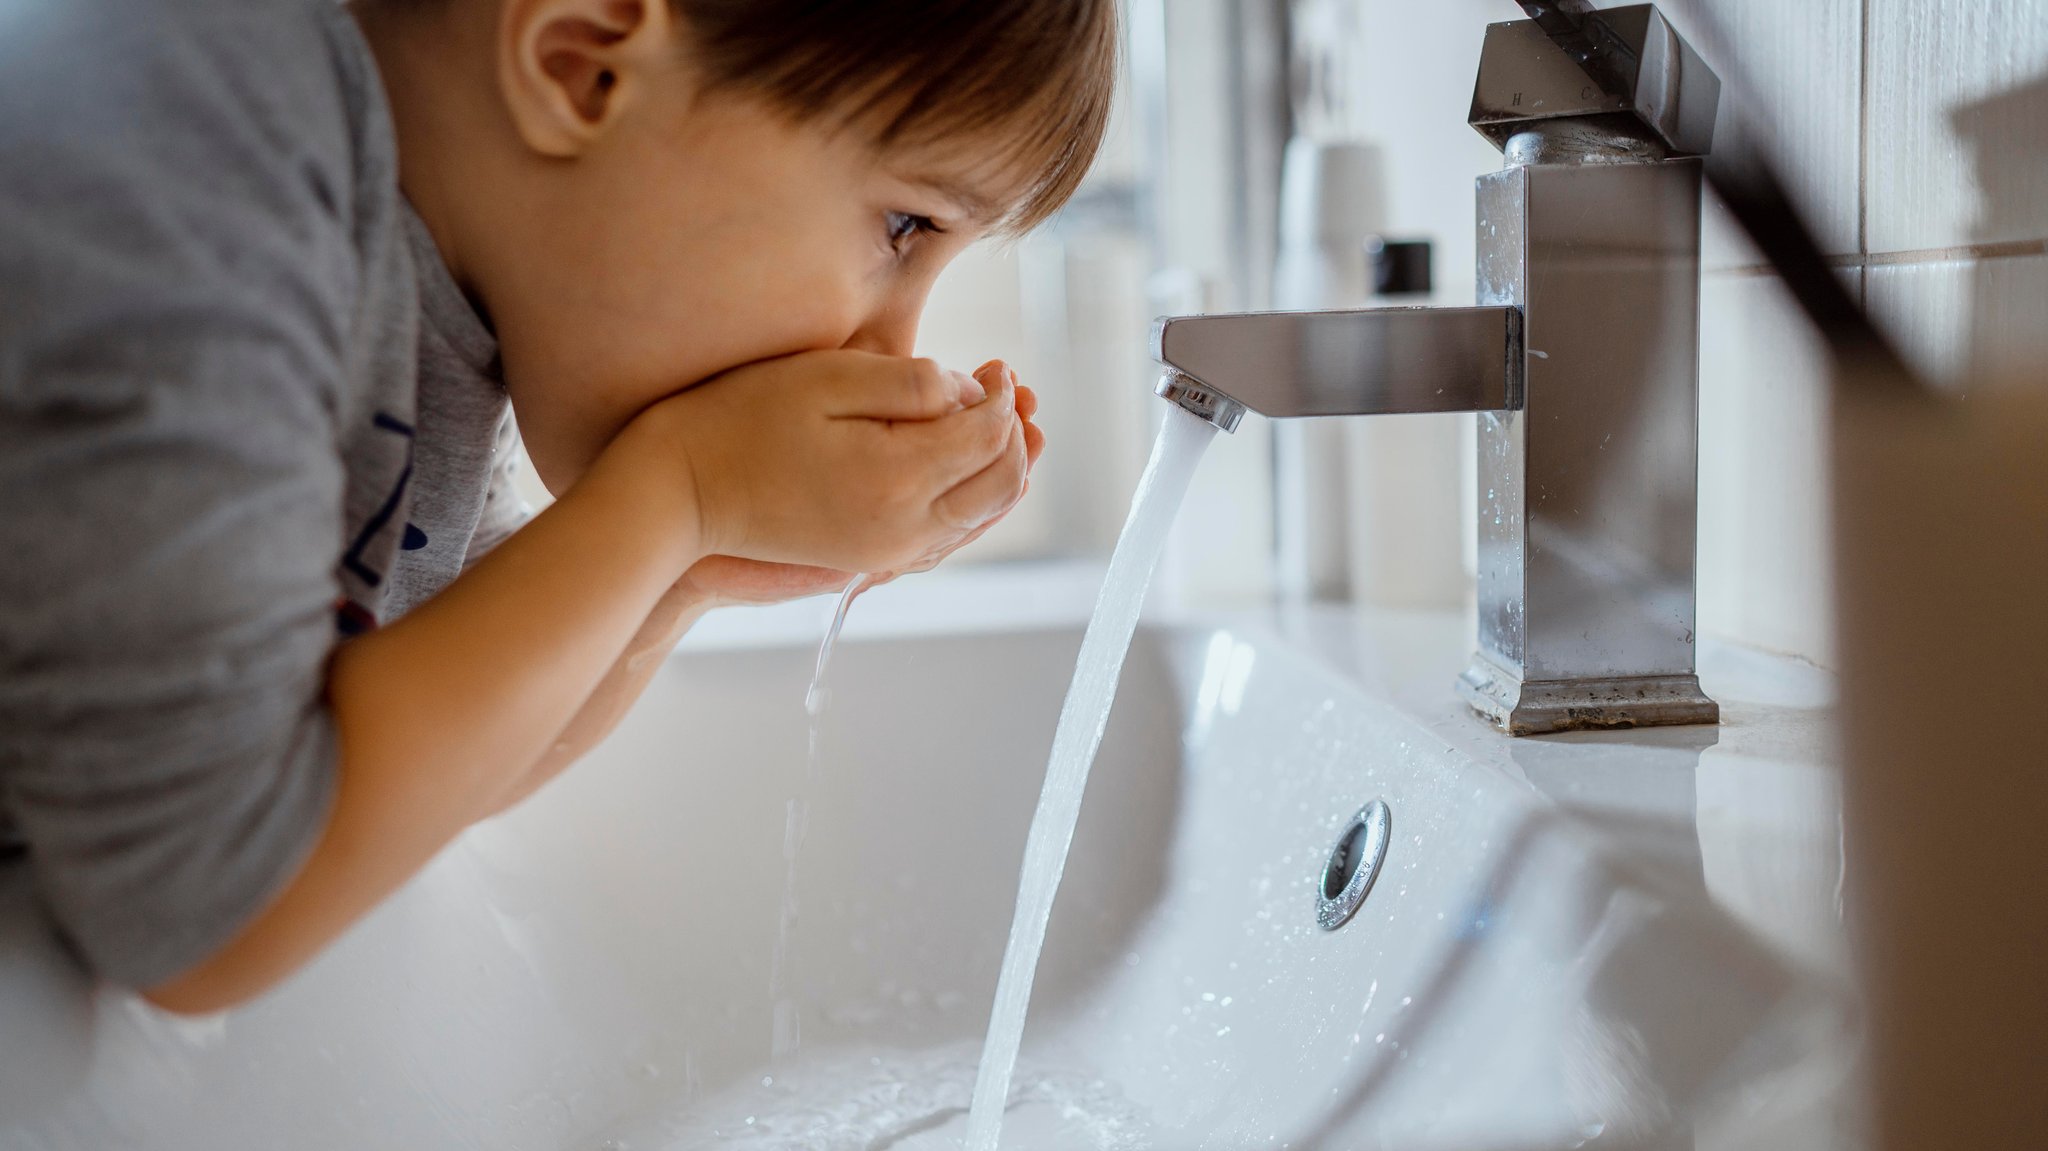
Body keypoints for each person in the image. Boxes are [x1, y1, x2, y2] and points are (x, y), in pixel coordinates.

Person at [0, 0, 1114, 1016]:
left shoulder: (445, 261)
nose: (893, 350)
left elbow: (409, 773)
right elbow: (205, 906)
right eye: (905, 229)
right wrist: (683, 490)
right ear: (581, 67)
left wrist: (690, 564)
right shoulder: (179, 162)